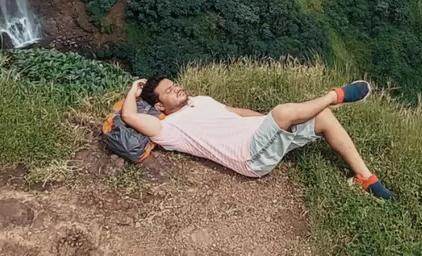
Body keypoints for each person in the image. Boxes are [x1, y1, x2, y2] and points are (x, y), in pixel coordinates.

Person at [120, 75, 397, 200]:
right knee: (285, 110)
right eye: (169, 91)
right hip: (247, 156)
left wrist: (270, 122)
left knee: (322, 118)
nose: (177, 89)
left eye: (174, 84)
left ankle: (366, 179)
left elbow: (236, 112)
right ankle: (334, 96)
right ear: (159, 106)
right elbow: (130, 117)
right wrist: (133, 90)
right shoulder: (168, 128)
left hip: (257, 135)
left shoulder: (200, 100)